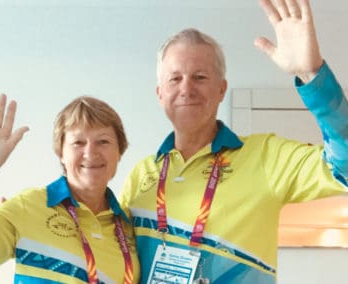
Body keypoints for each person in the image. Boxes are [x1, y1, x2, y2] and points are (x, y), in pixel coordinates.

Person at [119, 0, 348, 283]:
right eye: (174, 78)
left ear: (221, 89)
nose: (186, 88)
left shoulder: (265, 158)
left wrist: (312, 74)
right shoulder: (142, 174)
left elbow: (344, 164)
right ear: (160, 93)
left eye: (200, 77)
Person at [0, 94, 140, 283]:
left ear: (119, 151)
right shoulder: (28, 207)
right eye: (78, 142)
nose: (90, 152)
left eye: (103, 141)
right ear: (61, 153)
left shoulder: (128, 225)